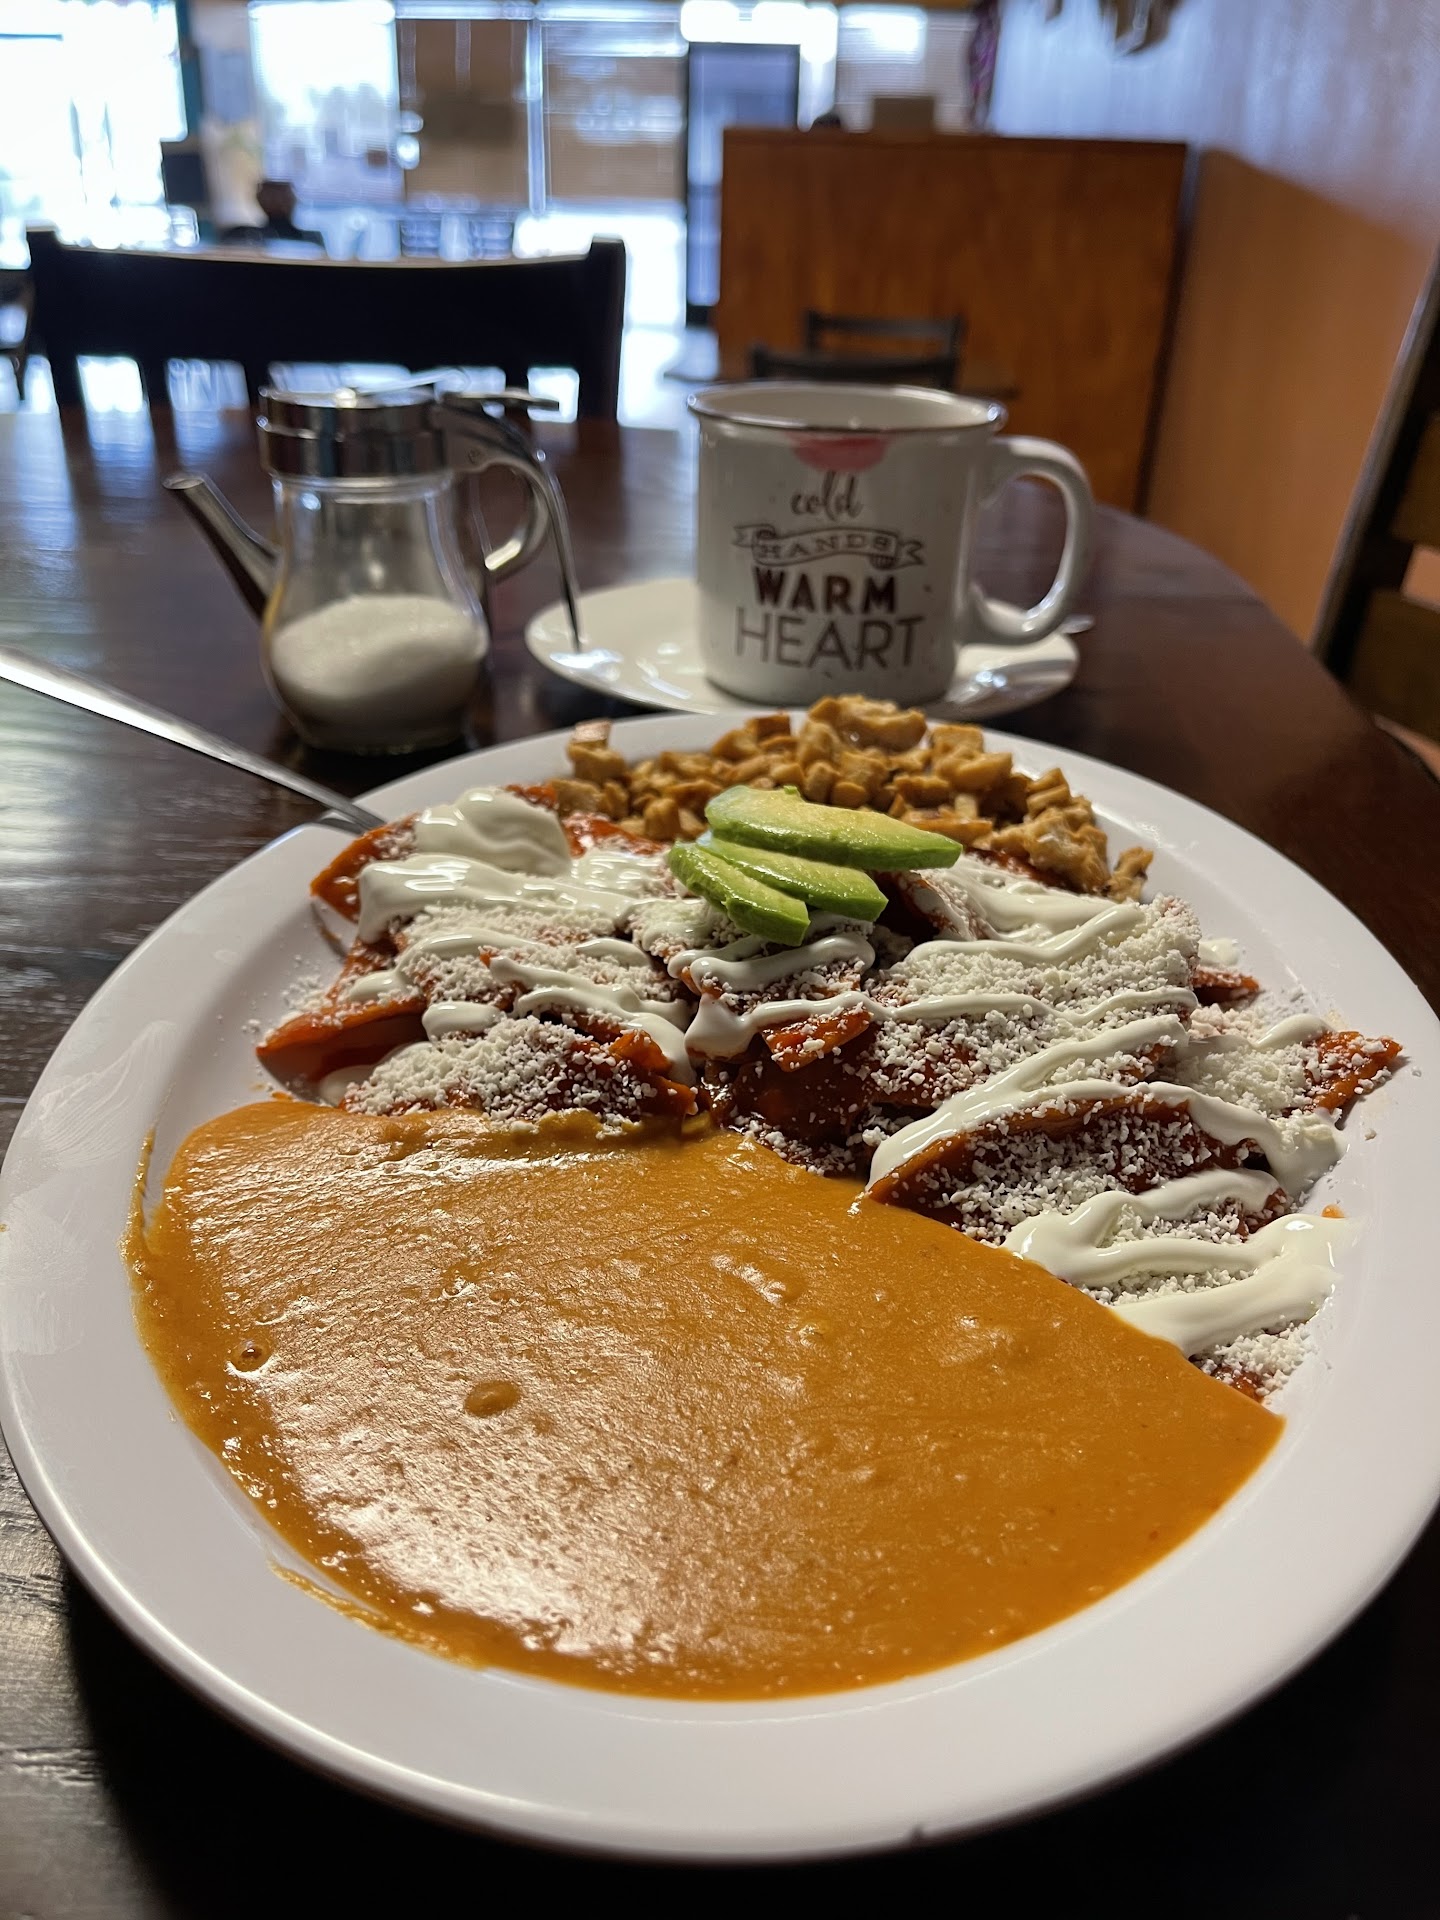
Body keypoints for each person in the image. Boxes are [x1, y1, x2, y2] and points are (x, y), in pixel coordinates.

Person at [221, 180, 325, 249]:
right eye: (270, 192)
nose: (277, 198)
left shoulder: (311, 239)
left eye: (283, 192)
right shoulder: (242, 235)